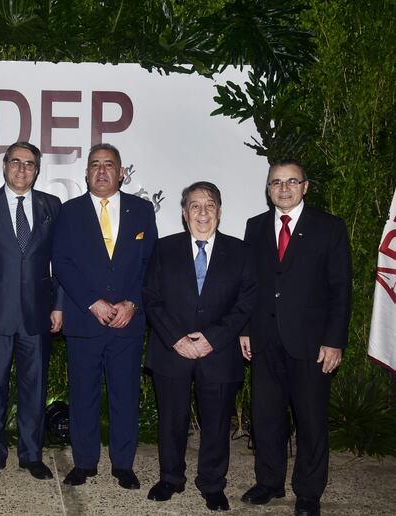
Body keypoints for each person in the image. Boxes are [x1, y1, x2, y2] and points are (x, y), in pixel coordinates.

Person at [240, 160, 351, 516]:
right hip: (265, 340)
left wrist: (334, 341)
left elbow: (341, 289)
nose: (284, 188)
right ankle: (269, 482)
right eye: (276, 182)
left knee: (311, 421)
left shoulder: (329, 228)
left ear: (305, 186)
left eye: (291, 181)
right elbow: (250, 285)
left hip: (312, 344)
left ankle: (308, 492)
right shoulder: (255, 227)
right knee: (266, 418)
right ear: (268, 188)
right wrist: (245, 329)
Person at [143, 181, 256, 511]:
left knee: (217, 424)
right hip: (172, 350)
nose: (202, 212)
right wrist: (177, 339)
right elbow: (151, 298)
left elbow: (246, 302)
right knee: (171, 421)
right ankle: (170, 478)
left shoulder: (240, 252)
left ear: (219, 211)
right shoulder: (163, 249)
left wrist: (212, 339)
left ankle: (212, 483)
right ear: (184, 213)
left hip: (218, 352)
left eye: (209, 205)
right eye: (195, 206)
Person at [52, 143, 157, 490]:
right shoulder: (69, 212)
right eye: (95, 165)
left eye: (109, 165)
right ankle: (84, 463)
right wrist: (91, 303)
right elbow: (62, 262)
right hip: (86, 321)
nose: (101, 171)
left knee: (125, 396)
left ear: (121, 172)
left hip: (128, 323)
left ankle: (123, 465)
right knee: (83, 396)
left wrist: (133, 303)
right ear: (86, 173)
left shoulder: (142, 210)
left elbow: (151, 264)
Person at [0, 142, 63, 482]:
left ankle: (31, 455)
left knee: (34, 387)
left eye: (29, 164)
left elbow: (60, 262)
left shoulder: (52, 205)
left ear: (37, 170)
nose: (22, 169)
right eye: (16, 162)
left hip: (38, 312)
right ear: (5, 165)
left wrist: (59, 305)